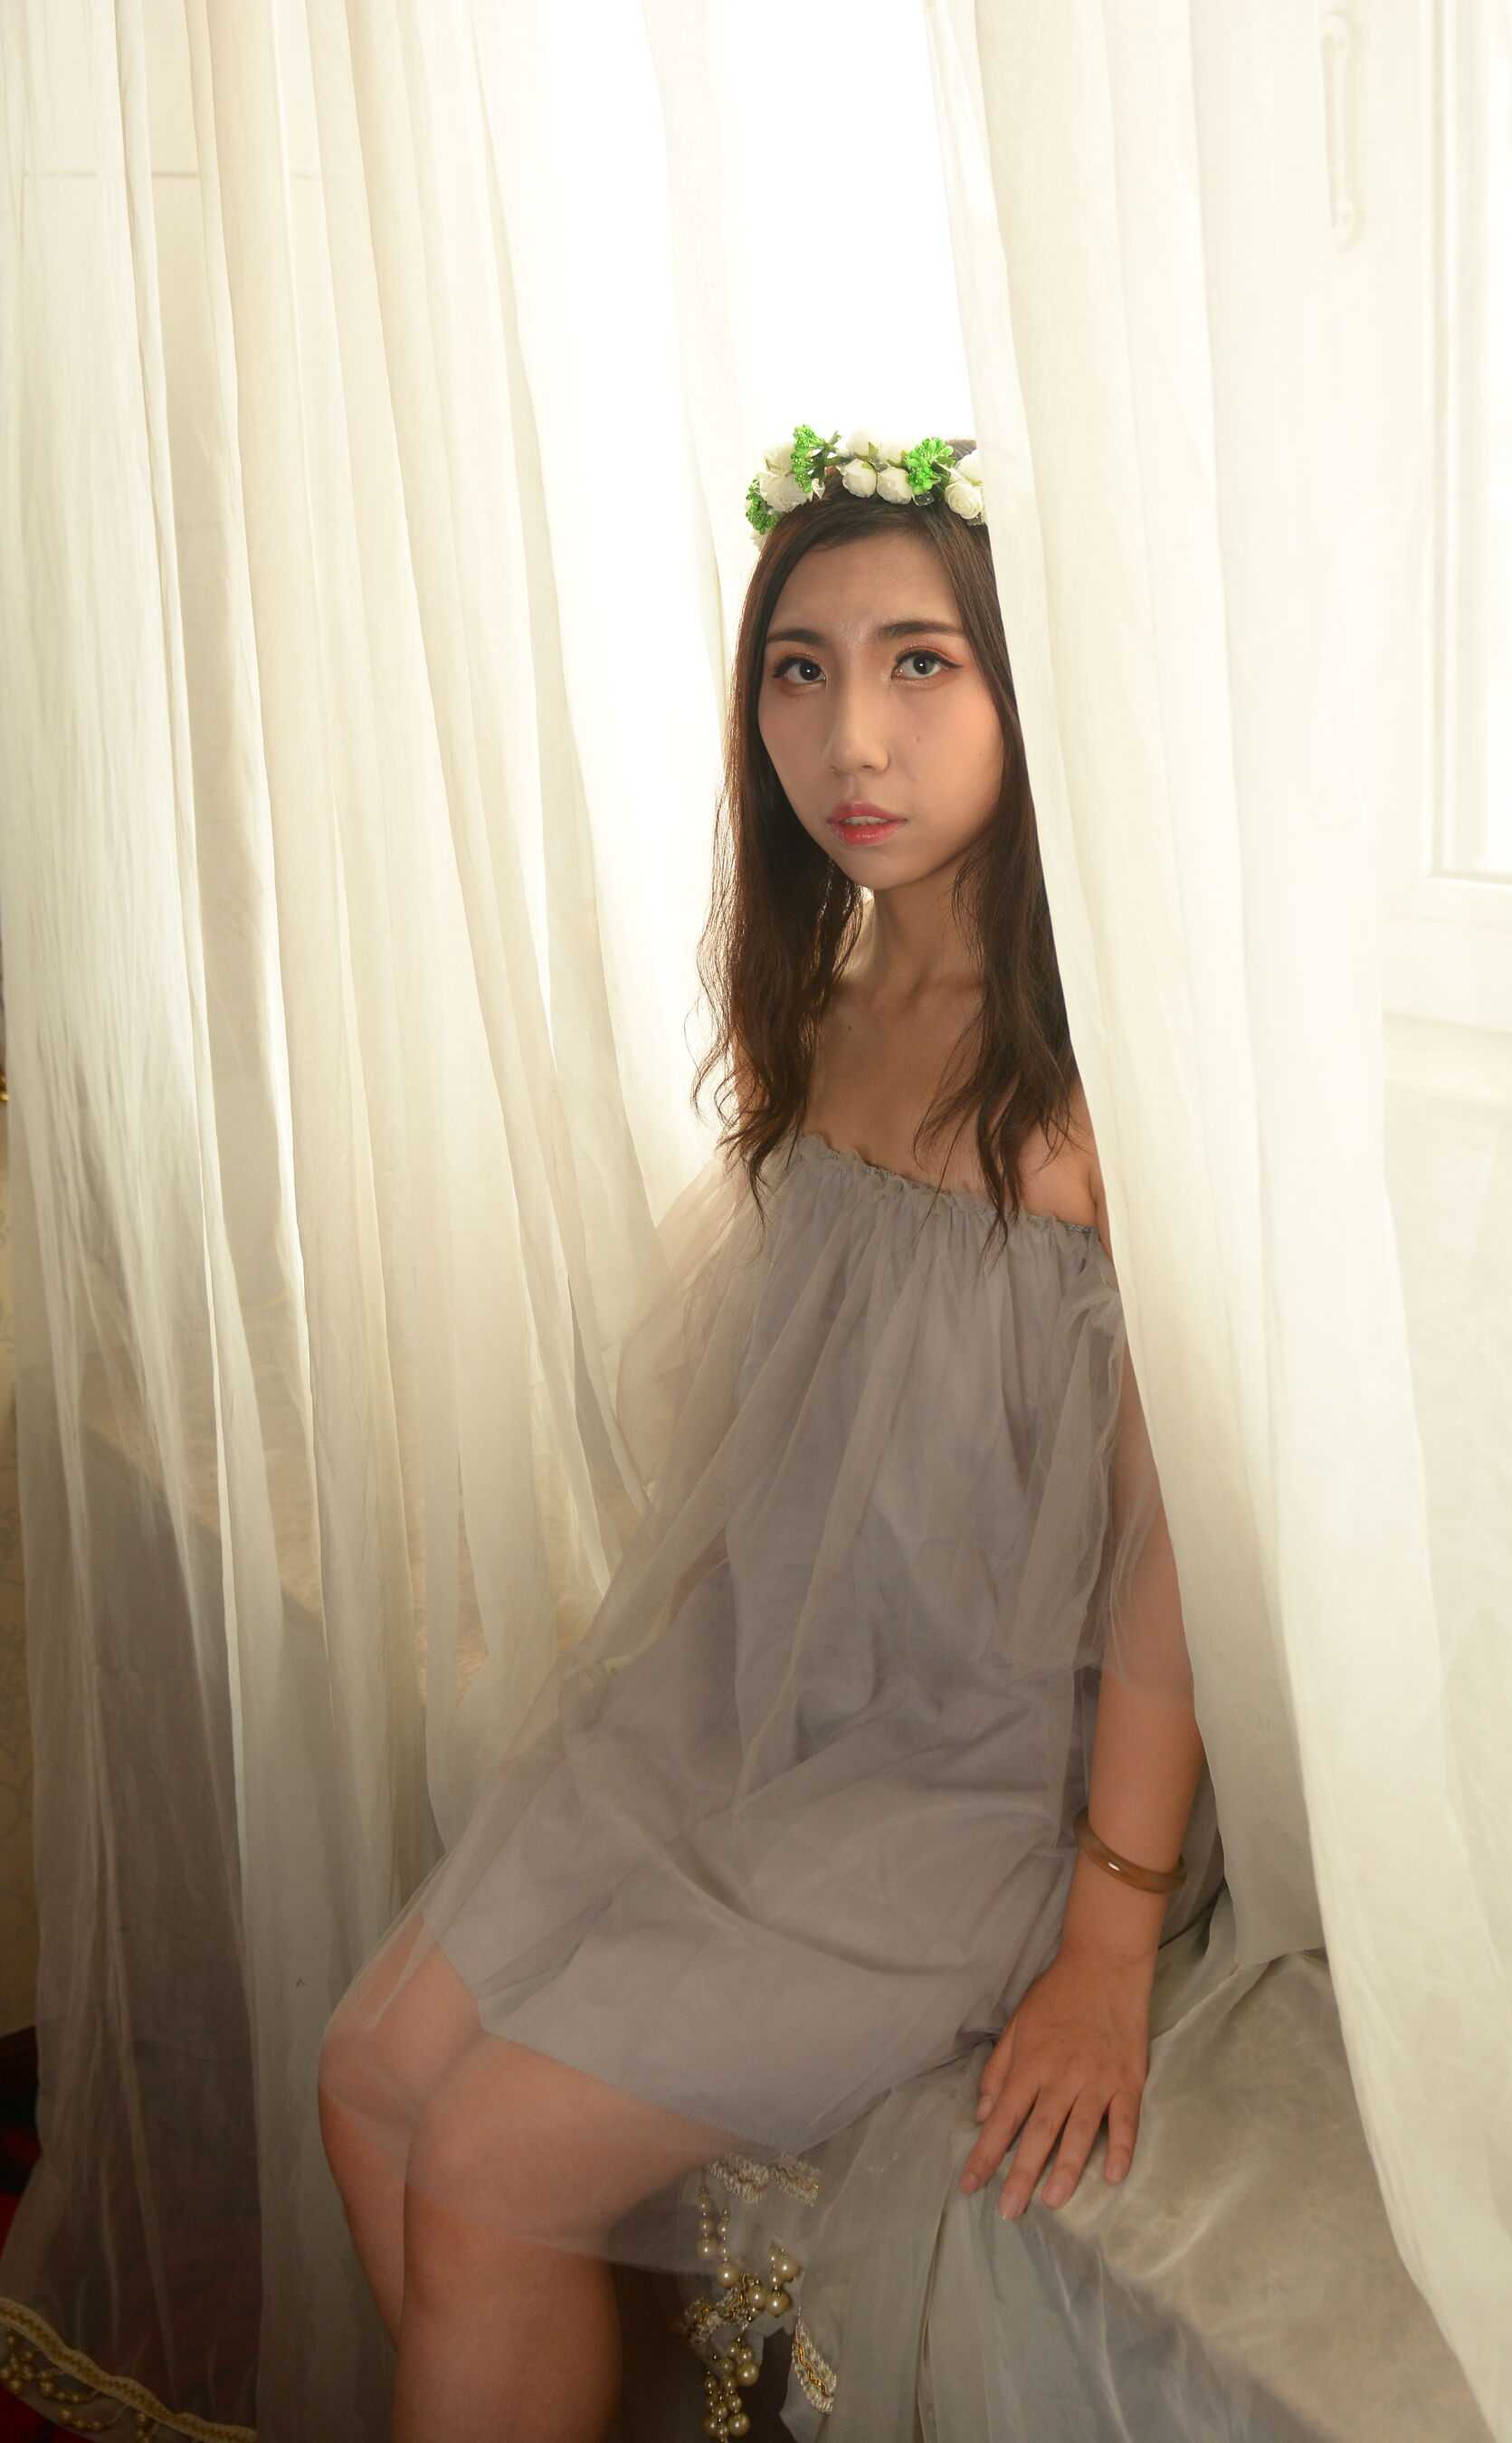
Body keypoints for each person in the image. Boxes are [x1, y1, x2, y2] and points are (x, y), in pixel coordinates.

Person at [317, 426, 1223, 2443]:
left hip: (981, 1768)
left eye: (922, 664)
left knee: (489, 2152)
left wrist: (1106, 1941)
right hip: (758, 1681)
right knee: (368, 2078)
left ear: (1027, 695)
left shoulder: (1111, 1088)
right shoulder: (820, 1004)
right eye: (798, 671)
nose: (850, 738)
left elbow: (1178, 1546)